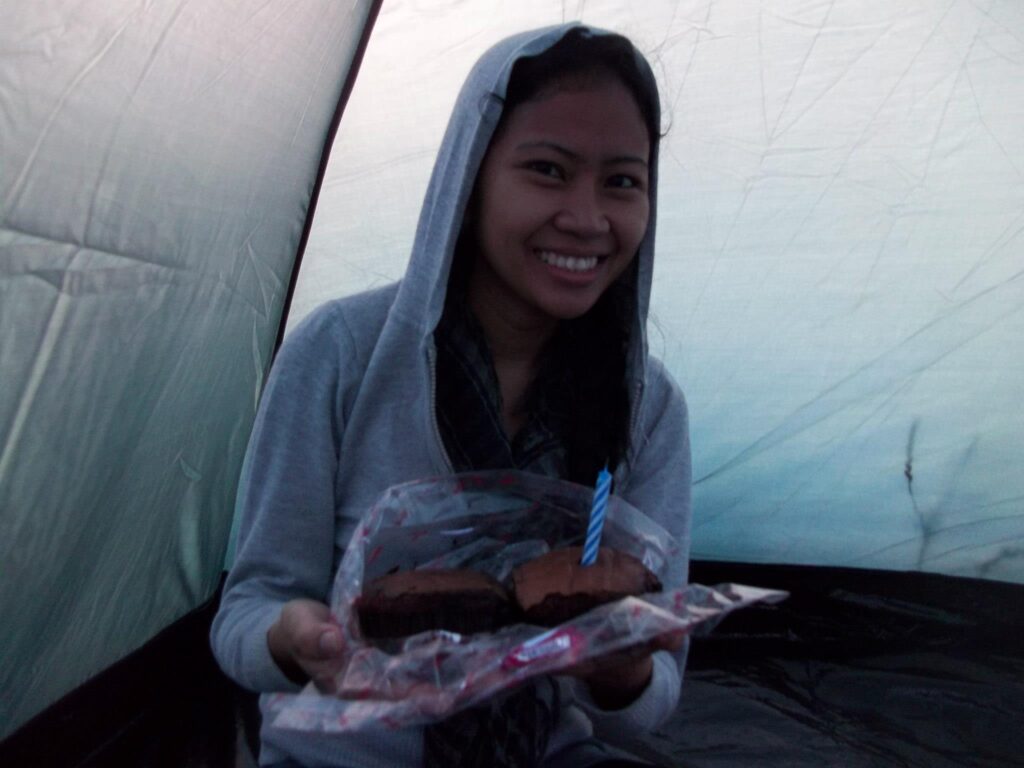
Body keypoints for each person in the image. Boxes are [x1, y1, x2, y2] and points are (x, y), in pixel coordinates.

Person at [211, 22, 692, 768]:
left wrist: (622, 668)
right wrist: (296, 638)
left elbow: (653, 702)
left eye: (622, 182)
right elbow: (244, 618)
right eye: (548, 170)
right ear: (469, 180)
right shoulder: (341, 355)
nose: (589, 218)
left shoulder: (647, 410)